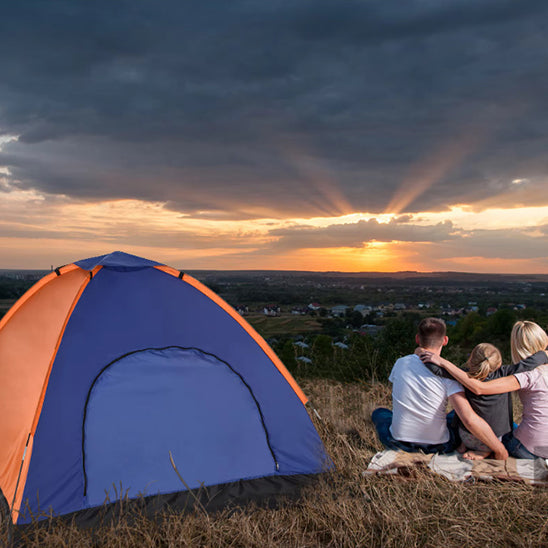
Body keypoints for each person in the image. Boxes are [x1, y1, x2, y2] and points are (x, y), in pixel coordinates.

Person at [372, 317, 508, 459]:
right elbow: (468, 419)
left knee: (380, 413)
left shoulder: (400, 363)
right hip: (438, 446)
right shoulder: (448, 375)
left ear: (417, 339)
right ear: (445, 340)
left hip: (398, 443)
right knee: (457, 414)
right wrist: (500, 450)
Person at [419, 321, 548, 459]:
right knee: (508, 426)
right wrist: (544, 353)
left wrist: (424, 353)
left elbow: (474, 386)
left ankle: (467, 445)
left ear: (470, 360)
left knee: (456, 414)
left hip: (476, 438)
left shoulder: (465, 374)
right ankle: (486, 448)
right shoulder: (507, 372)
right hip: (505, 438)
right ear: (498, 364)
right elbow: (528, 363)